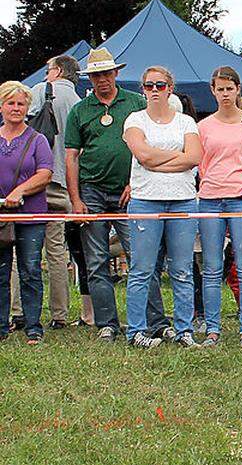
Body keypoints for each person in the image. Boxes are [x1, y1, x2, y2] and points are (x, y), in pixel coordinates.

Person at [65, 48, 166, 341]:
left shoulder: (136, 103)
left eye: (106, 73)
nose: (102, 80)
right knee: (96, 260)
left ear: (116, 74)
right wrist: (76, 200)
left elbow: (151, 145)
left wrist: (135, 183)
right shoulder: (79, 111)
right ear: (90, 78)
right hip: (91, 191)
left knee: (141, 258)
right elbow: (71, 156)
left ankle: (156, 321)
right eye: (96, 75)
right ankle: (107, 324)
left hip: (131, 191)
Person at [121, 66, 202, 348]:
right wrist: (176, 157)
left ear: (170, 88)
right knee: (142, 270)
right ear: (142, 89)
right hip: (145, 200)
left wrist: (159, 160)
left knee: (182, 270)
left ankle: (184, 330)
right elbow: (142, 156)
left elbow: (194, 157)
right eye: (148, 85)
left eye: (160, 85)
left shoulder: (186, 123)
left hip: (183, 199)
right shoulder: (134, 119)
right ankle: (136, 332)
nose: (154, 90)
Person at [196, 66, 242, 347]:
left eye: (229, 88)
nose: (225, 94)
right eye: (220, 89)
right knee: (212, 267)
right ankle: (213, 330)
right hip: (211, 199)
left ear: (238, 90)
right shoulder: (203, 127)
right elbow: (201, 164)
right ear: (213, 91)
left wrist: (241, 179)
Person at [23, 54, 82, 328]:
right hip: (63, 182)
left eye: (48, 69)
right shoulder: (80, 103)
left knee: (19, 249)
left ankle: (18, 312)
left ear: (57, 71)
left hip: (31, 181)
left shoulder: (36, 92)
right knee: (57, 250)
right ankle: (60, 315)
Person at [0, 81, 53, 344]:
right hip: (1, 216)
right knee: (0, 271)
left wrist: (20, 190)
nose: (16, 108)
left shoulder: (37, 139)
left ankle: (33, 326)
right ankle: (1, 326)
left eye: (21, 103)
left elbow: (45, 173)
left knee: (30, 269)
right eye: (11, 103)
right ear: (2, 106)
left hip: (30, 214)